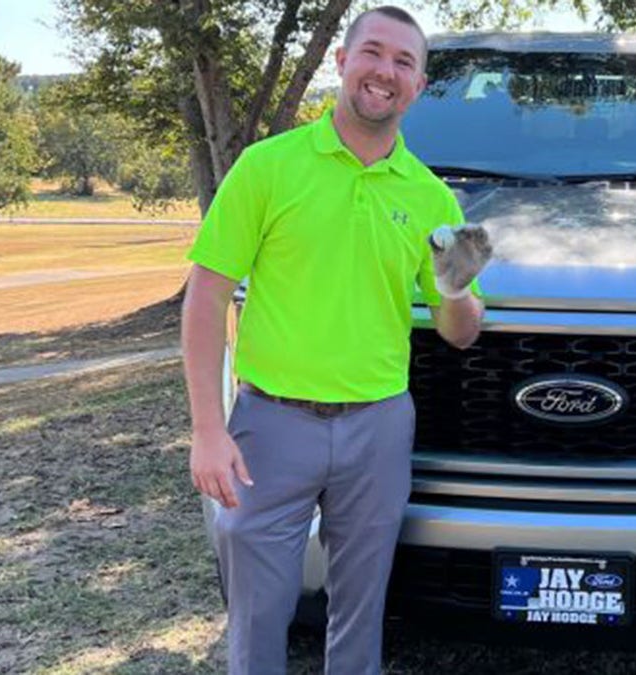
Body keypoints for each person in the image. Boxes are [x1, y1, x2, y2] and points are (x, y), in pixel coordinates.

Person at [180, 7, 490, 673]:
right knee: (258, 615)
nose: (386, 71)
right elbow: (205, 297)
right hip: (271, 423)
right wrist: (209, 428)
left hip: (379, 427)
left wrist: (458, 288)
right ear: (342, 62)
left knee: (360, 610)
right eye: (373, 53)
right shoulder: (268, 166)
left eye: (404, 62)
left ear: (419, 85)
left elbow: (460, 334)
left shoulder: (434, 199)